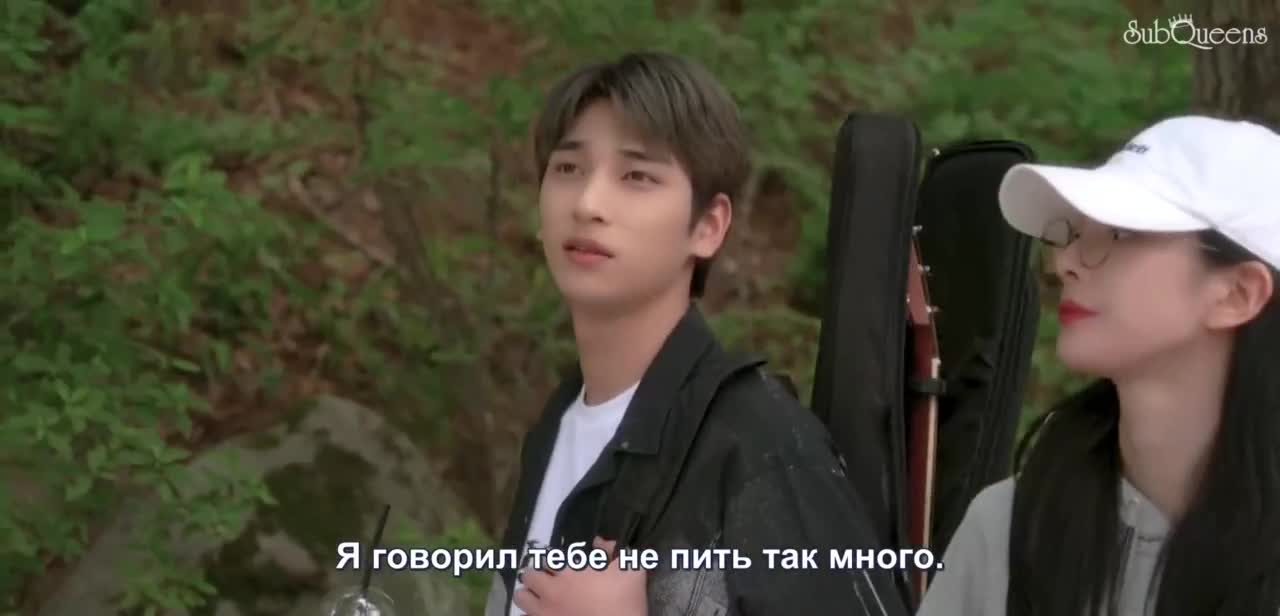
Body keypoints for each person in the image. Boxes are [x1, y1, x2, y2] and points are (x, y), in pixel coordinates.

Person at [481, 51, 908, 616]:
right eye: (568, 169)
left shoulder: (759, 444)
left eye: (637, 176)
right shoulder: (555, 425)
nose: (587, 203)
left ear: (708, 226)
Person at [915, 115, 1280, 616]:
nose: (1063, 263)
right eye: (1073, 232)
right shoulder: (1011, 528)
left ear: (1238, 294)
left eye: (1121, 233)